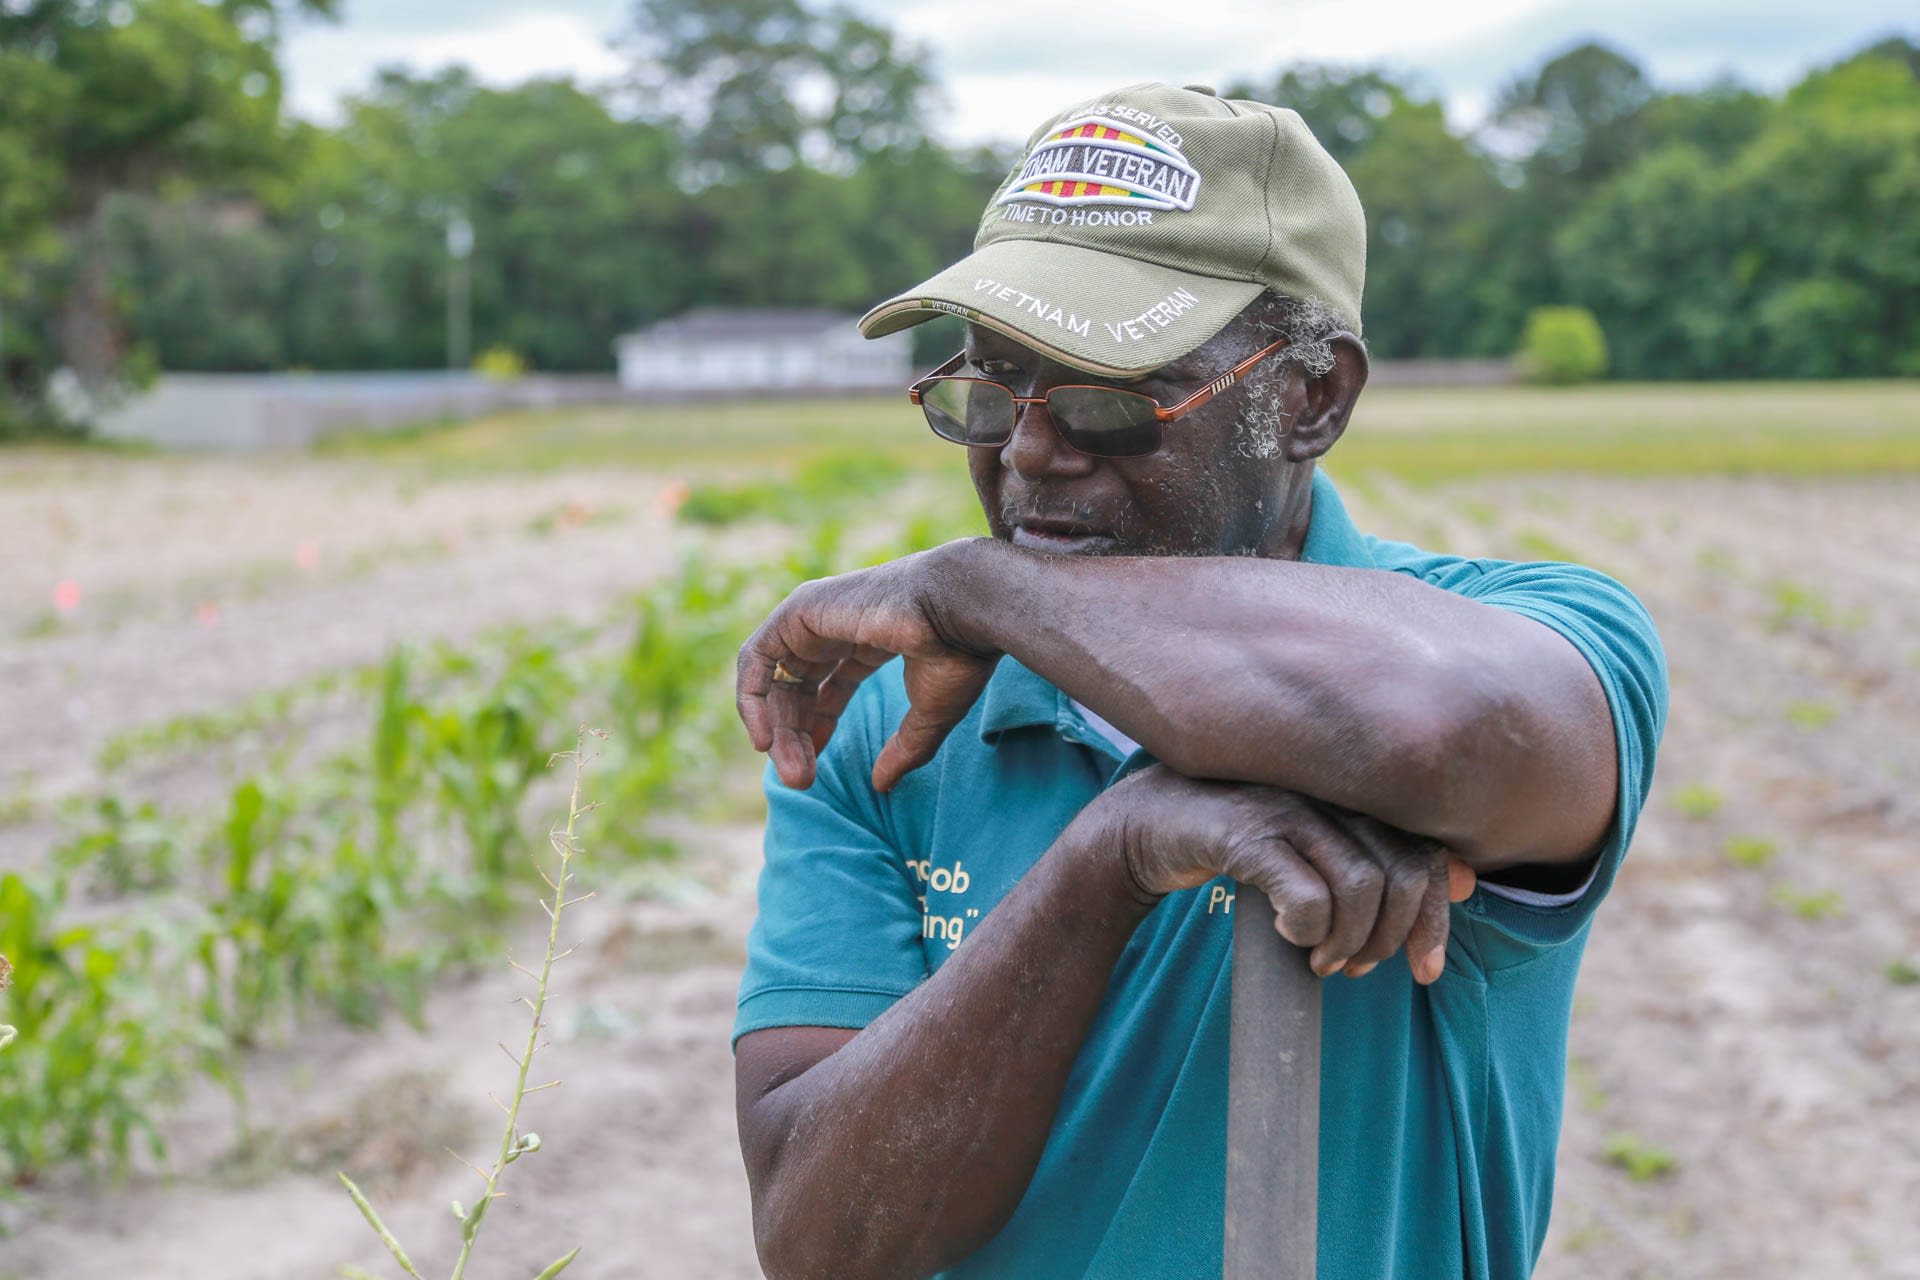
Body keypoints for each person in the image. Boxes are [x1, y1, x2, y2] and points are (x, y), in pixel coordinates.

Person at [727, 82, 1667, 1280]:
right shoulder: (888, 726)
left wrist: (978, 588)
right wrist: (1110, 856)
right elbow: (820, 1237)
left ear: (1313, 397)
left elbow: (1431, 730)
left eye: (1108, 396)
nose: (1027, 449)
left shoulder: (1520, 637)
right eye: (990, 386)